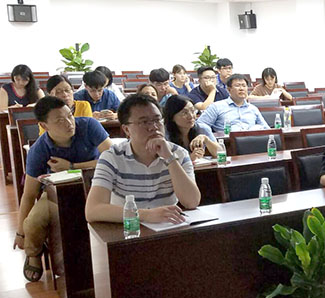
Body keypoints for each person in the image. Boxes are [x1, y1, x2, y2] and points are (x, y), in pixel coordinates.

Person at [13, 96, 112, 281]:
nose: (69, 123)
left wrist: (72, 167)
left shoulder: (89, 125)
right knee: (33, 222)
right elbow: (29, 194)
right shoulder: (39, 150)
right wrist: (20, 233)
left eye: (69, 115)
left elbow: (112, 158)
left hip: (95, 187)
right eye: (60, 120)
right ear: (44, 125)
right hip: (57, 195)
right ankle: (34, 253)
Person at [85, 94, 200, 225]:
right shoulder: (112, 157)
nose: (154, 127)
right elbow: (93, 210)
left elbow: (192, 202)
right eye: (144, 122)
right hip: (127, 228)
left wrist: (170, 158)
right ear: (126, 129)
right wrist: (146, 215)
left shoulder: (179, 153)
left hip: (167, 227)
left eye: (157, 120)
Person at [197, 74, 269, 132]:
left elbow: (266, 128)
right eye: (237, 85)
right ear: (229, 89)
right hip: (227, 142)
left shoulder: (253, 109)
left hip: (252, 141)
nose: (241, 88)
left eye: (244, 86)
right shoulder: (216, 107)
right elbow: (201, 125)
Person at [164, 95, 218, 161]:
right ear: (172, 117)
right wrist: (189, 159)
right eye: (184, 113)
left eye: (193, 111)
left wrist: (206, 140)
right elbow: (165, 162)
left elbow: (220, 153)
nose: (191, 116)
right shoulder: (164, 134)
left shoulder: (202, 128)